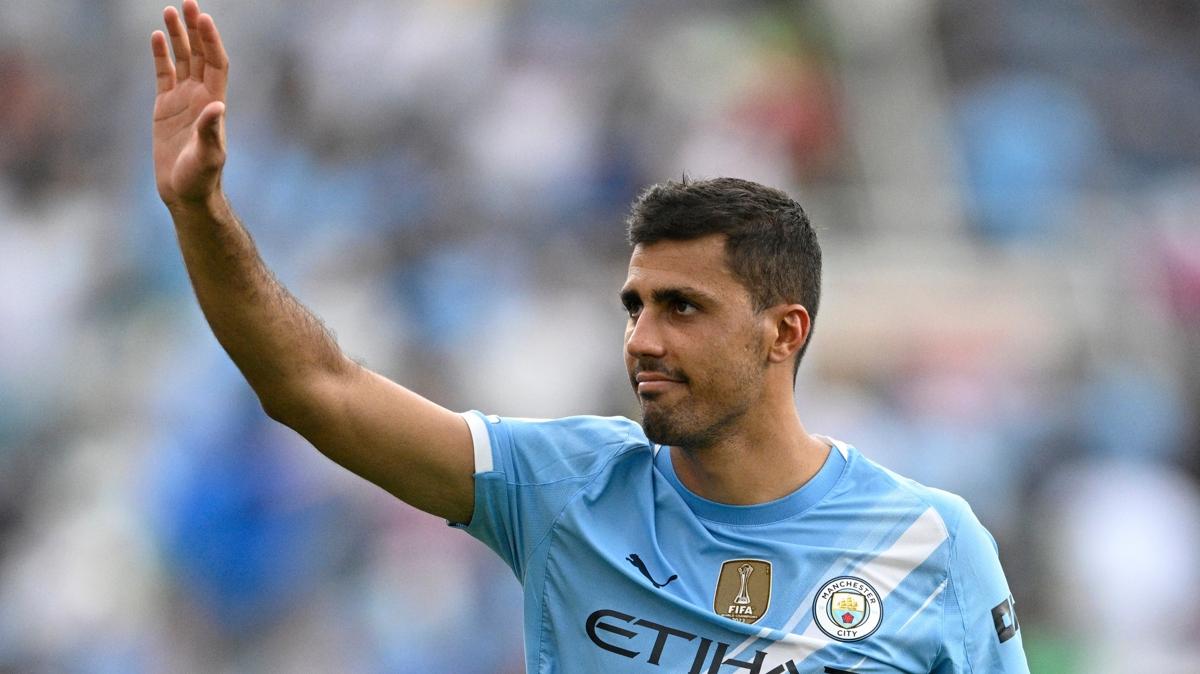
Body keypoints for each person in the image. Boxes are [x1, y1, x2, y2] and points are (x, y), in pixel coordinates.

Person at [149, 2, 1030, 672]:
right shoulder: (565, 490)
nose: (642, 339)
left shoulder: (930, 545)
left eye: (682, 308)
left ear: (783, 332)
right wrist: (201, 213)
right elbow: (315, 388)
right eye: (634, 306)